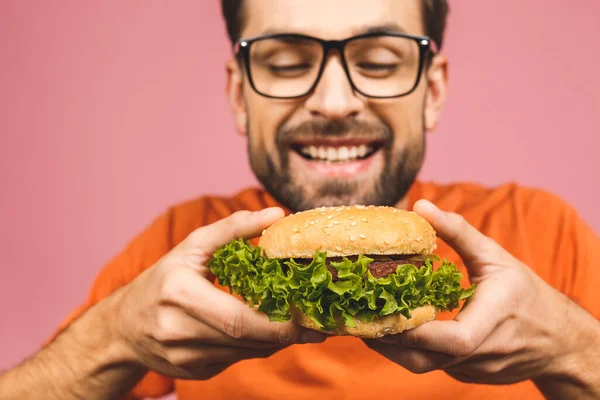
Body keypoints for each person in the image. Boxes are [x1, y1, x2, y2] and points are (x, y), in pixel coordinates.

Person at [1, 0, 599, 399]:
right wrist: (112, 337)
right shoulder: (182, 249)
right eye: (286, 63)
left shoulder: (538, 231)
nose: (334, 103)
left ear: (433, 89)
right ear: (239, 96)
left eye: (379, 60)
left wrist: (572, 349)